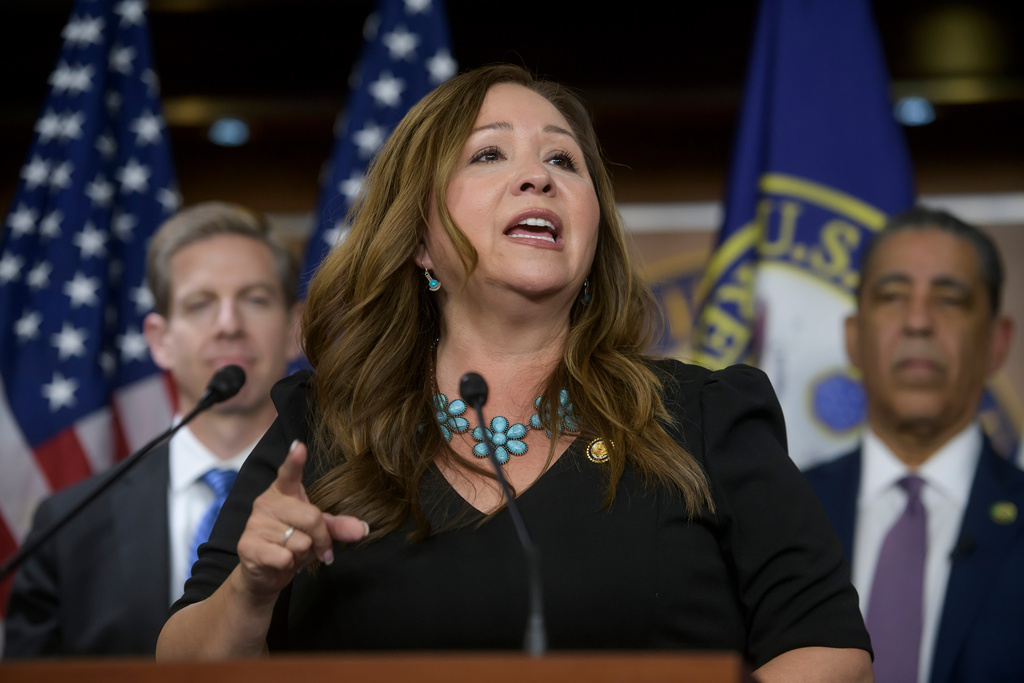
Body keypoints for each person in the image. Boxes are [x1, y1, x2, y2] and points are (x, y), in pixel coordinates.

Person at [156, 65, 872, 681]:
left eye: (564, 161)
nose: (537, 175)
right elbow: (180, 663)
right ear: (420, 243)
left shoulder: (705, 415)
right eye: (489, 155)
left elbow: (830, 648)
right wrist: (252, 589)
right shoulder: (326, 426)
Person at [4, 202, 303, 656]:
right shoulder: (67, 528)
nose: (229, 325)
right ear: (159, 341)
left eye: (255, 299)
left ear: (293, 329)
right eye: (200, 304)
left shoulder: (350, 498)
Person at [803, 207, 1021, 683]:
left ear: (997, 342)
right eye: (893, 296)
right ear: (854, 337)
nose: (918, 321)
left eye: (950, 300)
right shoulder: (783, 513)